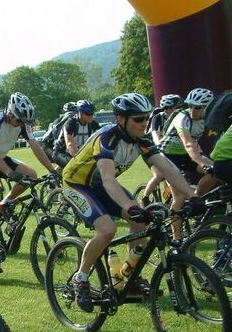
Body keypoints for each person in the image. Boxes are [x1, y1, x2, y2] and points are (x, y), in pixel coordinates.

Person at [62, 93, 199, 313]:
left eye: (146, 118)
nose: (144, 123)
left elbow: (167, 169)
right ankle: (81, 278)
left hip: (102, 185)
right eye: (138, 119)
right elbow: (107, 178)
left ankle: (128, 275)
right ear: (121, 120)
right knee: (107, 230)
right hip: (77, 184)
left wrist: (193, 196)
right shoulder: (107, 138)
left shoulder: (142, 140)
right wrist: (130, 206)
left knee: (140, 225)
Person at [0, 92, 58, 274]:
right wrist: (10, 174)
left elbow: (36, 147)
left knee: (31, 174)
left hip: (0, 159)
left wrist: (52, 170)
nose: (22, 125)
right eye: (19, 121)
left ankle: (6, 202)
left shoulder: (23, 122)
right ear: (10, 114)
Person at [158, 87, 214, 238]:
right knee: (180, 196)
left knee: (216, 173)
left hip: (185, 156)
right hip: (166, 156)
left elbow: (195, 144)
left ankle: (194, 200)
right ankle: (178, 238)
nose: (192, 110)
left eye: (198, 107)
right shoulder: (182, 118)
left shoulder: (204, 121)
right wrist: (202, 162)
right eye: (190, 106)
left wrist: (211, 163)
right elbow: (188, 143)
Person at [140, 94, 183, 206]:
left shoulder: (179, 118)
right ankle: (144, 198)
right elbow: (156, 137)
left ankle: (170, 200)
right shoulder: (157, 118)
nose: (180, 109)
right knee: (159, 175)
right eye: (176, 107)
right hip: (150, 150)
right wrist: (160, 146)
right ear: (168, 108)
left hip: (166, 151)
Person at [50, 100, 100, 168]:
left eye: (92, 113)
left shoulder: (92, 124)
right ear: (80, 113)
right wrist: (81, 160)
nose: (91, 116)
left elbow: (102, 137)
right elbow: (70, 145)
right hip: (61, 153)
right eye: (88, 114)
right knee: (78, 168)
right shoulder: (71, 123)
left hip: (77, 154)